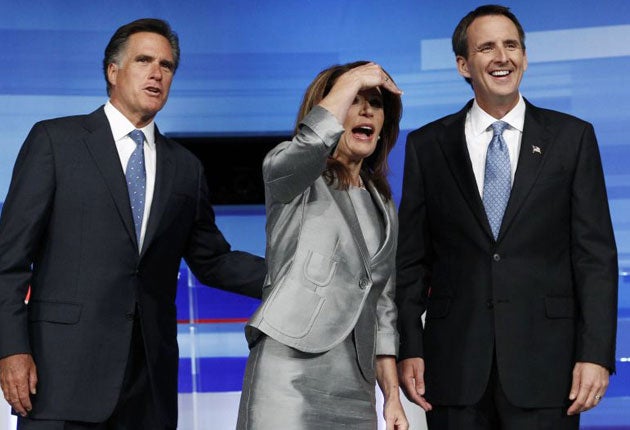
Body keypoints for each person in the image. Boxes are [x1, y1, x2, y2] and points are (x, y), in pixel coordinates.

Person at [0, 18, 266, 430]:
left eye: (168, 65)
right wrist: (11, 350)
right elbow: (9, 261)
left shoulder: (185, 168)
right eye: (144, 60)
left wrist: (295, 275)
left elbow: (213, 260)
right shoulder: (56, 142)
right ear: (113, 71)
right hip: (60, 378)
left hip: (148, 386)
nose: (157, 73)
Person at [395, 4, 618, 429]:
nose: (502, 57)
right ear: (463, 64)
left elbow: (595, 256)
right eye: (487, 48)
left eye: (511, 45)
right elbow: (410, 262)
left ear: (525, 57)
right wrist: (410, 345)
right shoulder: (427, 145)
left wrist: (595, 354)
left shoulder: (572, 138)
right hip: (453, 368)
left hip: (548, 368)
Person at [236, 61, 408, 429]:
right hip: (289, 374)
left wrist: (391, 395)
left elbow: (383, 307)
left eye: (375, 103)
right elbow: (307, 146)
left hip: (356, 388)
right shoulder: (294, 177)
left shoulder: (383, 201)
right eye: (353, 99)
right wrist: (351, 79)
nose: (365, 110)